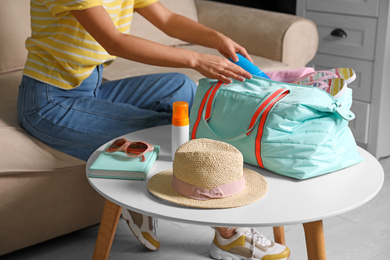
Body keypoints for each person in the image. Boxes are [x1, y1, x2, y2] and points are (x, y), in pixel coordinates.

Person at [17, 0, 289, 259]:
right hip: (51, 102)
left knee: (180, 87)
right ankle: (230, 235)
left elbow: (168, 19)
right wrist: (196, 59)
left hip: (95, 87)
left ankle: (141, 185)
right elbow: (114, 41)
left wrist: (216, 39)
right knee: (165, 130)